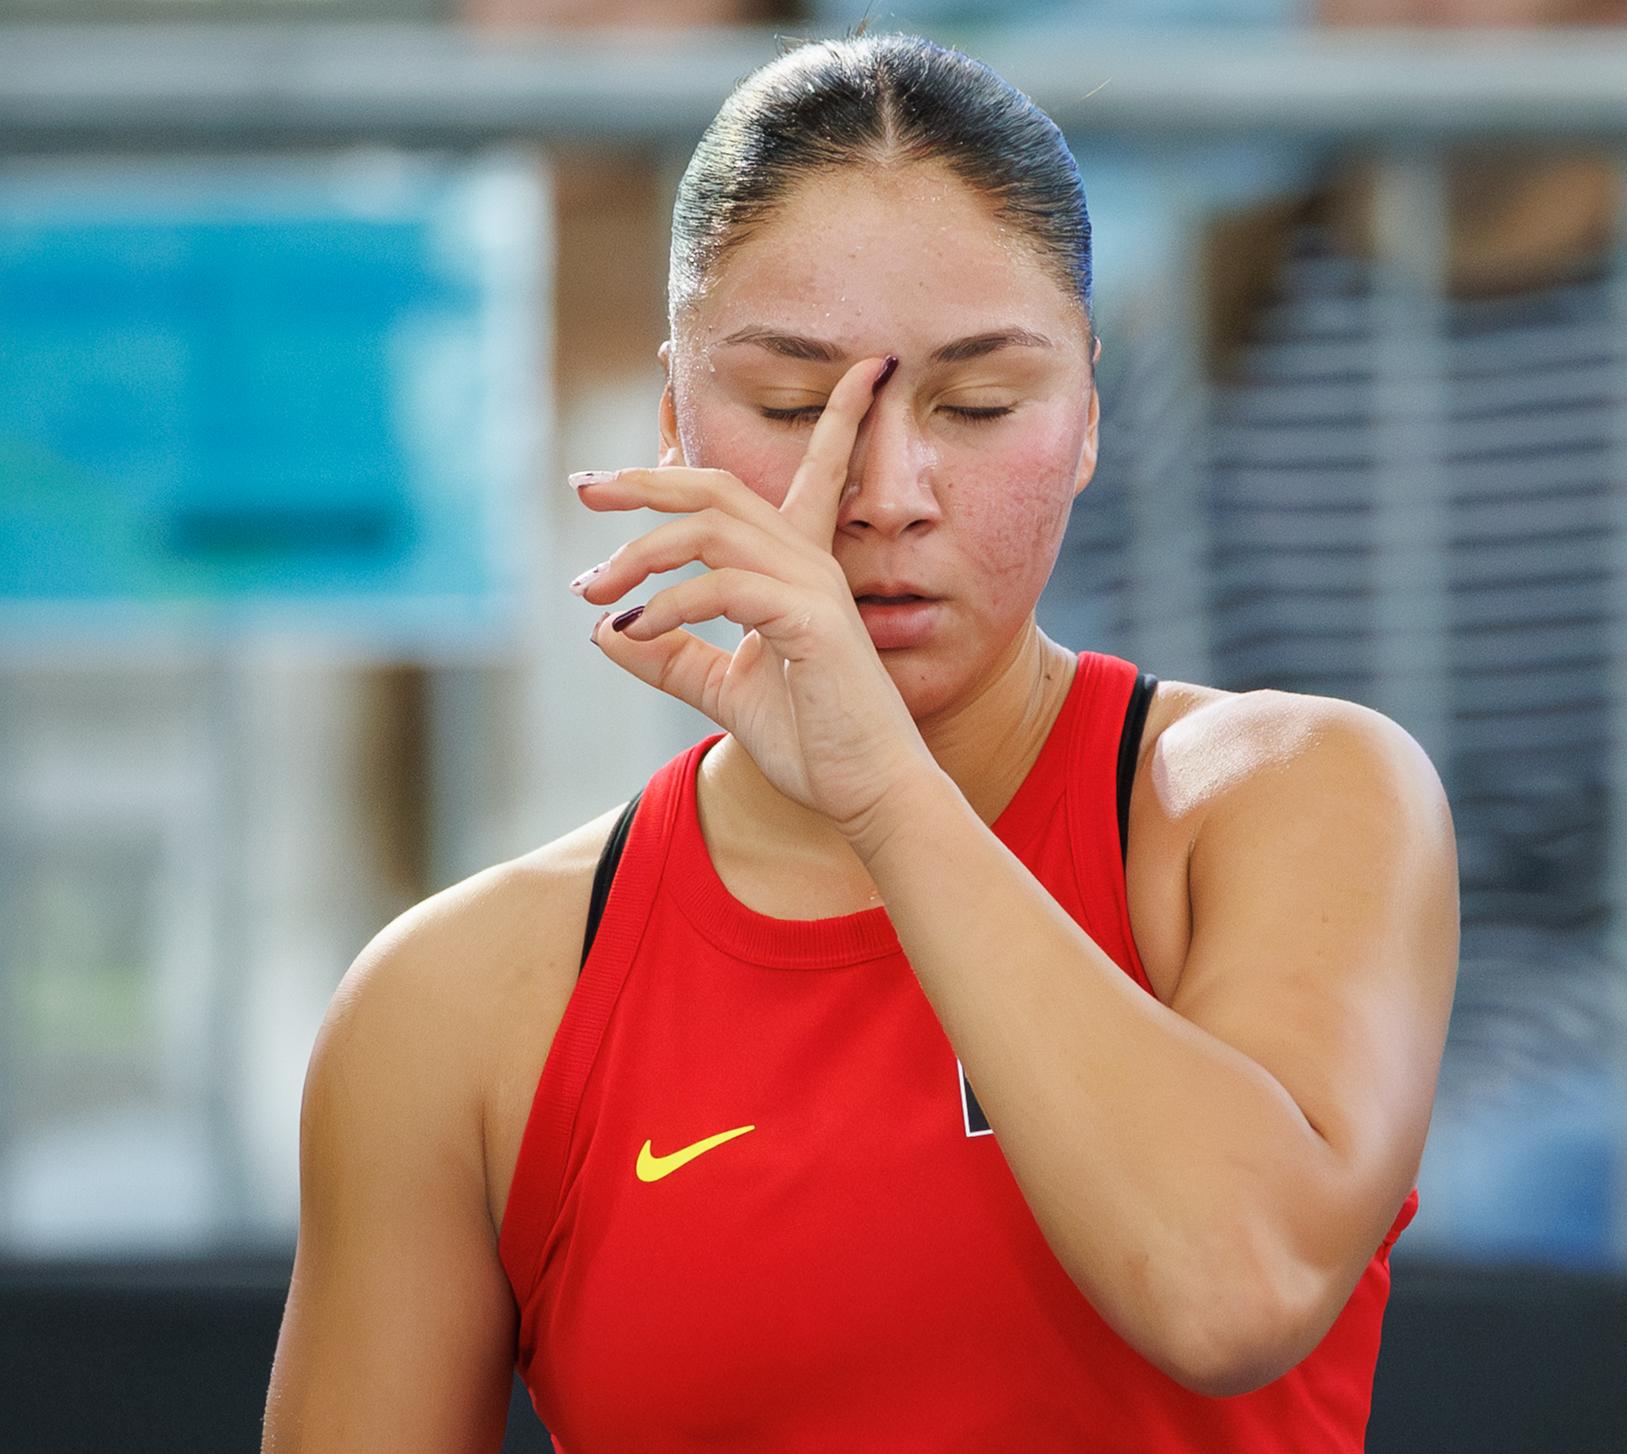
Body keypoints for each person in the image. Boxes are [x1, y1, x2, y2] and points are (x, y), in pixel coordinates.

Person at [261, 34, 1457, 1451]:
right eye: (792, 405)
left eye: (978, 404)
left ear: (1088, 413)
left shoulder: (1286, 800)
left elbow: (1231, 1288)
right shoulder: (460, 1001)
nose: (887, 491)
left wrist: (885, 787)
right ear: (673, 418)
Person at [1118, 0, 1627, 1258]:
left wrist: (1446, 1098)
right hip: (1287, 1054)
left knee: (1482, 1201)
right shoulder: (1181, 353)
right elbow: (1140, 811)